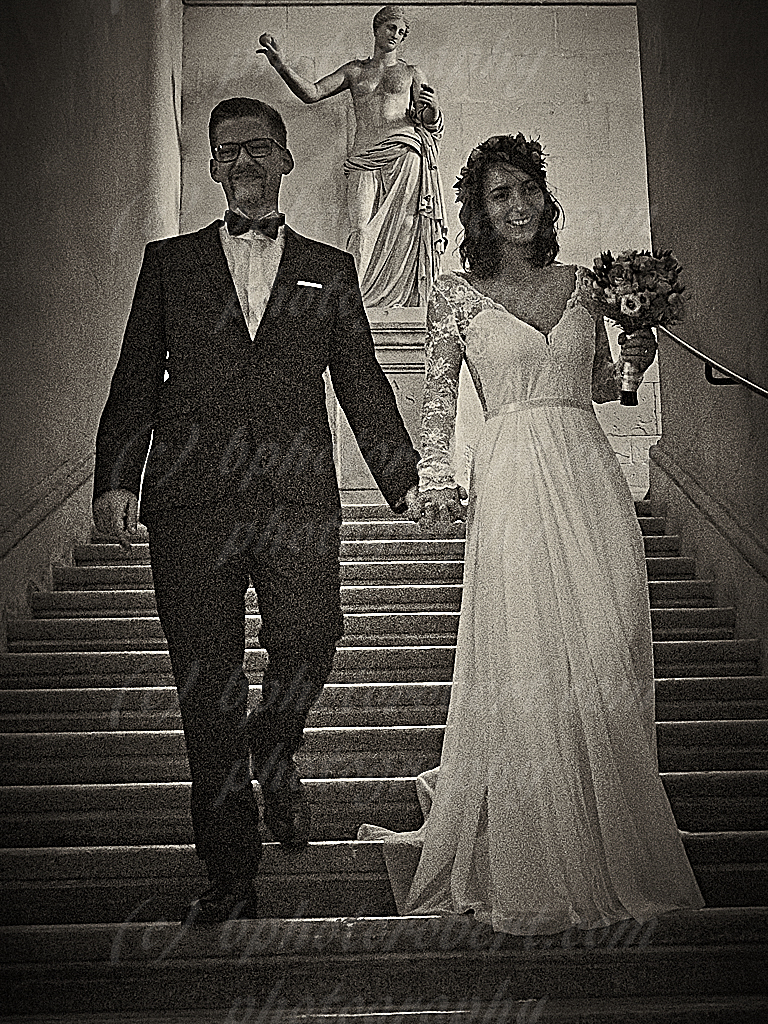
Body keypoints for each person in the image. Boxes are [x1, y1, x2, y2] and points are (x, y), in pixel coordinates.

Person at [359, 133, 705, 934]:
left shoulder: (586, 285)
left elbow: (602, 389)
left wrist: (637, 357)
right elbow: (438, 397)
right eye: (499, 195)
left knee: (608, 646)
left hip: (588, 475)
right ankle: (540, 849)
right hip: (511, 476)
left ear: (546, 198)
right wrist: (434, 476)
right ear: (479, 212)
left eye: (527, 190)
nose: (517, 206)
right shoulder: (456, 294)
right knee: (530, 656)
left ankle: (612, 833)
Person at [92, 96, 420, 925]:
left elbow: (361, 381)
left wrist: (405, 479)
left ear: (285, 159)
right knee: (207, 689)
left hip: (295, 500)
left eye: (257, 148)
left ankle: (276, 745)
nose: (242, 161)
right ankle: (229, 869)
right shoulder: (169, 264)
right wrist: (116, 478)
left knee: (312, 638)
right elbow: (137, 374)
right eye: (227, 150)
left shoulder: (329, 267)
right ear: (212, 166)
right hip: (190, 505)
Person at [257, 5, 447, 307]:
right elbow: (312, 93)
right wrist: (281, 66)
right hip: (364, 157)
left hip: (404, 152)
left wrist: (433, 109)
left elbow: (425, 118)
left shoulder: (412, 72)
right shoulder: (355, 71)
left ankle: (403, 300)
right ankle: (358, 300)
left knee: (407, 226)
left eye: (401, 32)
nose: (395, 35)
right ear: (376, 29)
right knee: (360, 229)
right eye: (391, 28)